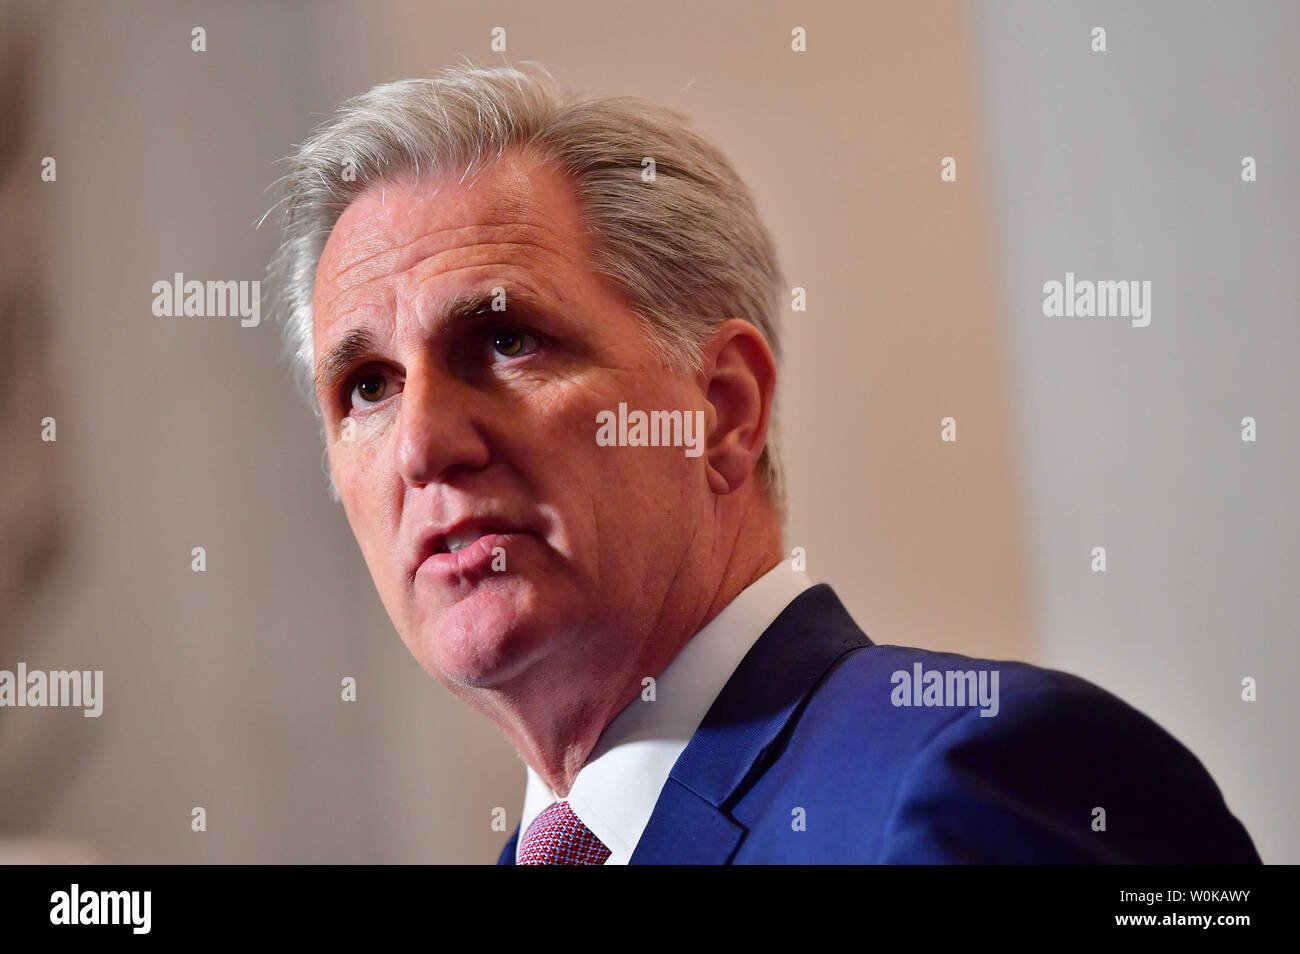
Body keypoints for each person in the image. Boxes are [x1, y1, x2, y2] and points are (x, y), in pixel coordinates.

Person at [267, 65, 1259, 864]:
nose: (424, 444)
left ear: (722, 409)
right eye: (365, 387)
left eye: (508, 342)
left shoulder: (977, 777)